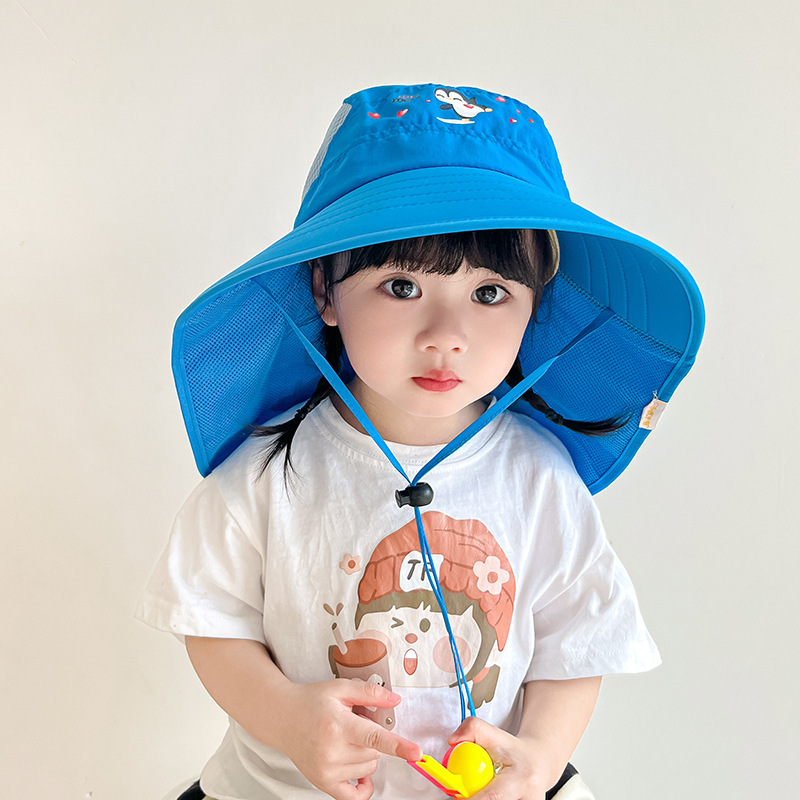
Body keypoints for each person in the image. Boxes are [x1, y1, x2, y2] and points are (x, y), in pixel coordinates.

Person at [136, 83, 704, 800]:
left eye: (490, 293)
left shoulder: (539, 476)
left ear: (536, 305)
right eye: (402, 286)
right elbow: (212, 621)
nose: (446, 335)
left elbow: (576, 642)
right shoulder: (265, 473)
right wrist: (286, 718)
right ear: (324, 290)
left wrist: (538, 758)